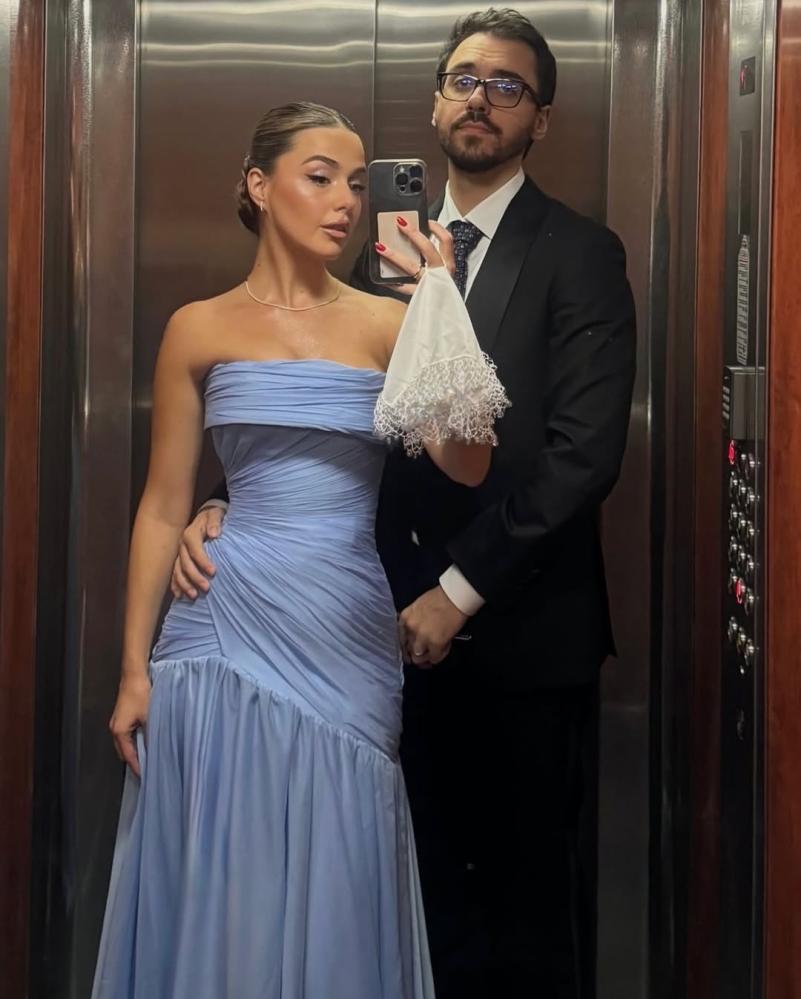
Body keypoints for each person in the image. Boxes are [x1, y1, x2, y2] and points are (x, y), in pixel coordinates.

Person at [177, 9, 637, 997]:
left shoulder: (580, 253)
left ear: (539, 119)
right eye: (463, 79)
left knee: (525, 921)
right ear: (435, 102)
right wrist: (225, 501)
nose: (480, 99)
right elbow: (320, 398)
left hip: (521, 638)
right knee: (396, 901)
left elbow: (582, 456)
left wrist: (458, 590)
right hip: (366, 633)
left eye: (507, 86)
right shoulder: (374, 252)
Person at [92, 101, 501, 999]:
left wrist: (442, 308)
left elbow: (469, 463)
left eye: (355, 183)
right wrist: (132, 669)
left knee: (342, 861)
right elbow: (162, 506)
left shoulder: (388, 323)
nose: (345, 201)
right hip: (216, 626)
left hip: (343, 626)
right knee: (224, 876)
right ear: (258, 184)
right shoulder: (196, 328)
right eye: (320, 178)